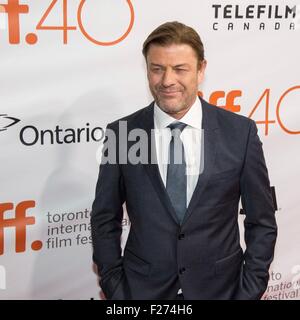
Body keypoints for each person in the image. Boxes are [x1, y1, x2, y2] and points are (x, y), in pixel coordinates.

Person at [91, 21, 277, 300]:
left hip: (221, 291)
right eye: (157, 69)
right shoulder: (123, 134)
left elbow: (261, 220)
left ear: (201, 69)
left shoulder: (240, 133)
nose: (167, 80)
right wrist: (116, 287)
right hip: (142, 293)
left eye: (180, 69)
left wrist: (249, 290)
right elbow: (105, 217)